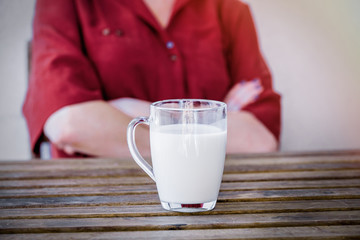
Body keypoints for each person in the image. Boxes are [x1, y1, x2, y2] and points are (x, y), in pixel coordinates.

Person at [23, 0, 281, 158]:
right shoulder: (66, 3)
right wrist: (209, 122)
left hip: (212, 197)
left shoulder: (230, 10)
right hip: (98, 204)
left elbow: (259, 139)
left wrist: (132, 112)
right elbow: (70, 126)